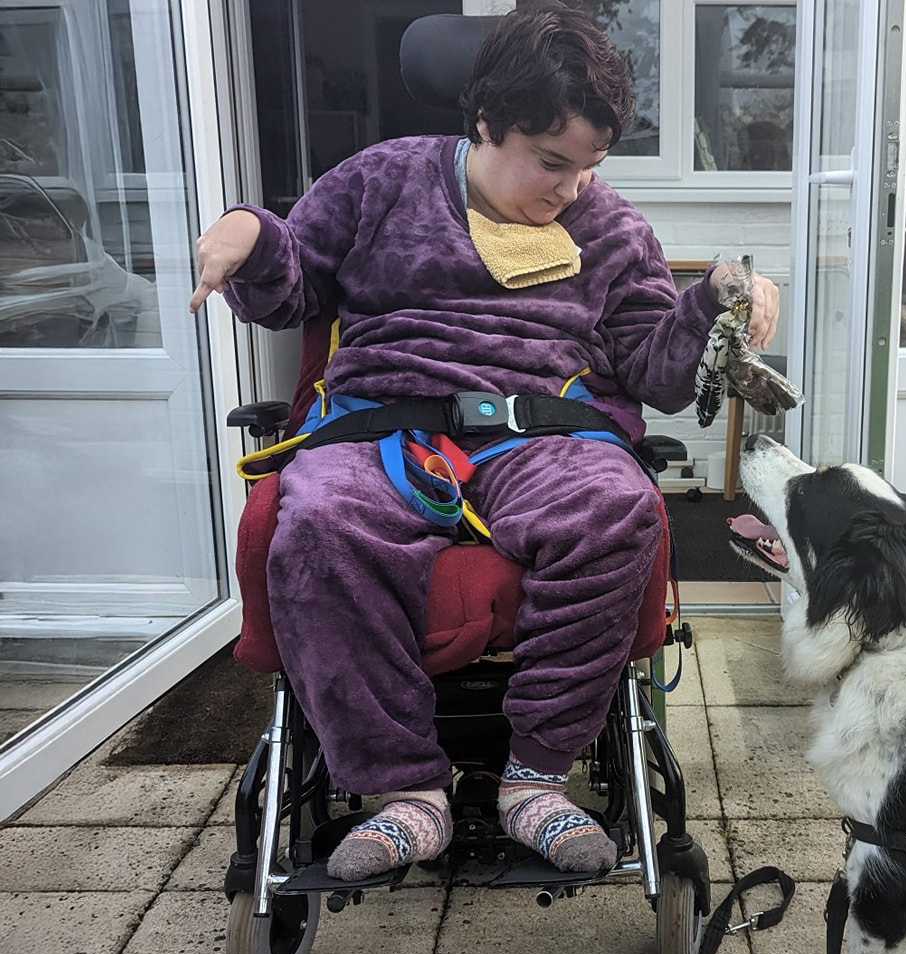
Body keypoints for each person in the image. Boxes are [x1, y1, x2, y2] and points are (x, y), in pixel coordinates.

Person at [190, 2, 778, 882]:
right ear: (487, 122)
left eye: (590, 164)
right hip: (384, 423)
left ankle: (535, 782)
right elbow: (289, 291)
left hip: (544, 431)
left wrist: (715, 302)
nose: (571, 188)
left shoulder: (609, 228)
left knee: (619, 509)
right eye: (551, 162)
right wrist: (251, 234)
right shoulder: (377, 181)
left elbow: (654, 370)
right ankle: (406, 795)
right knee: (315, 524)